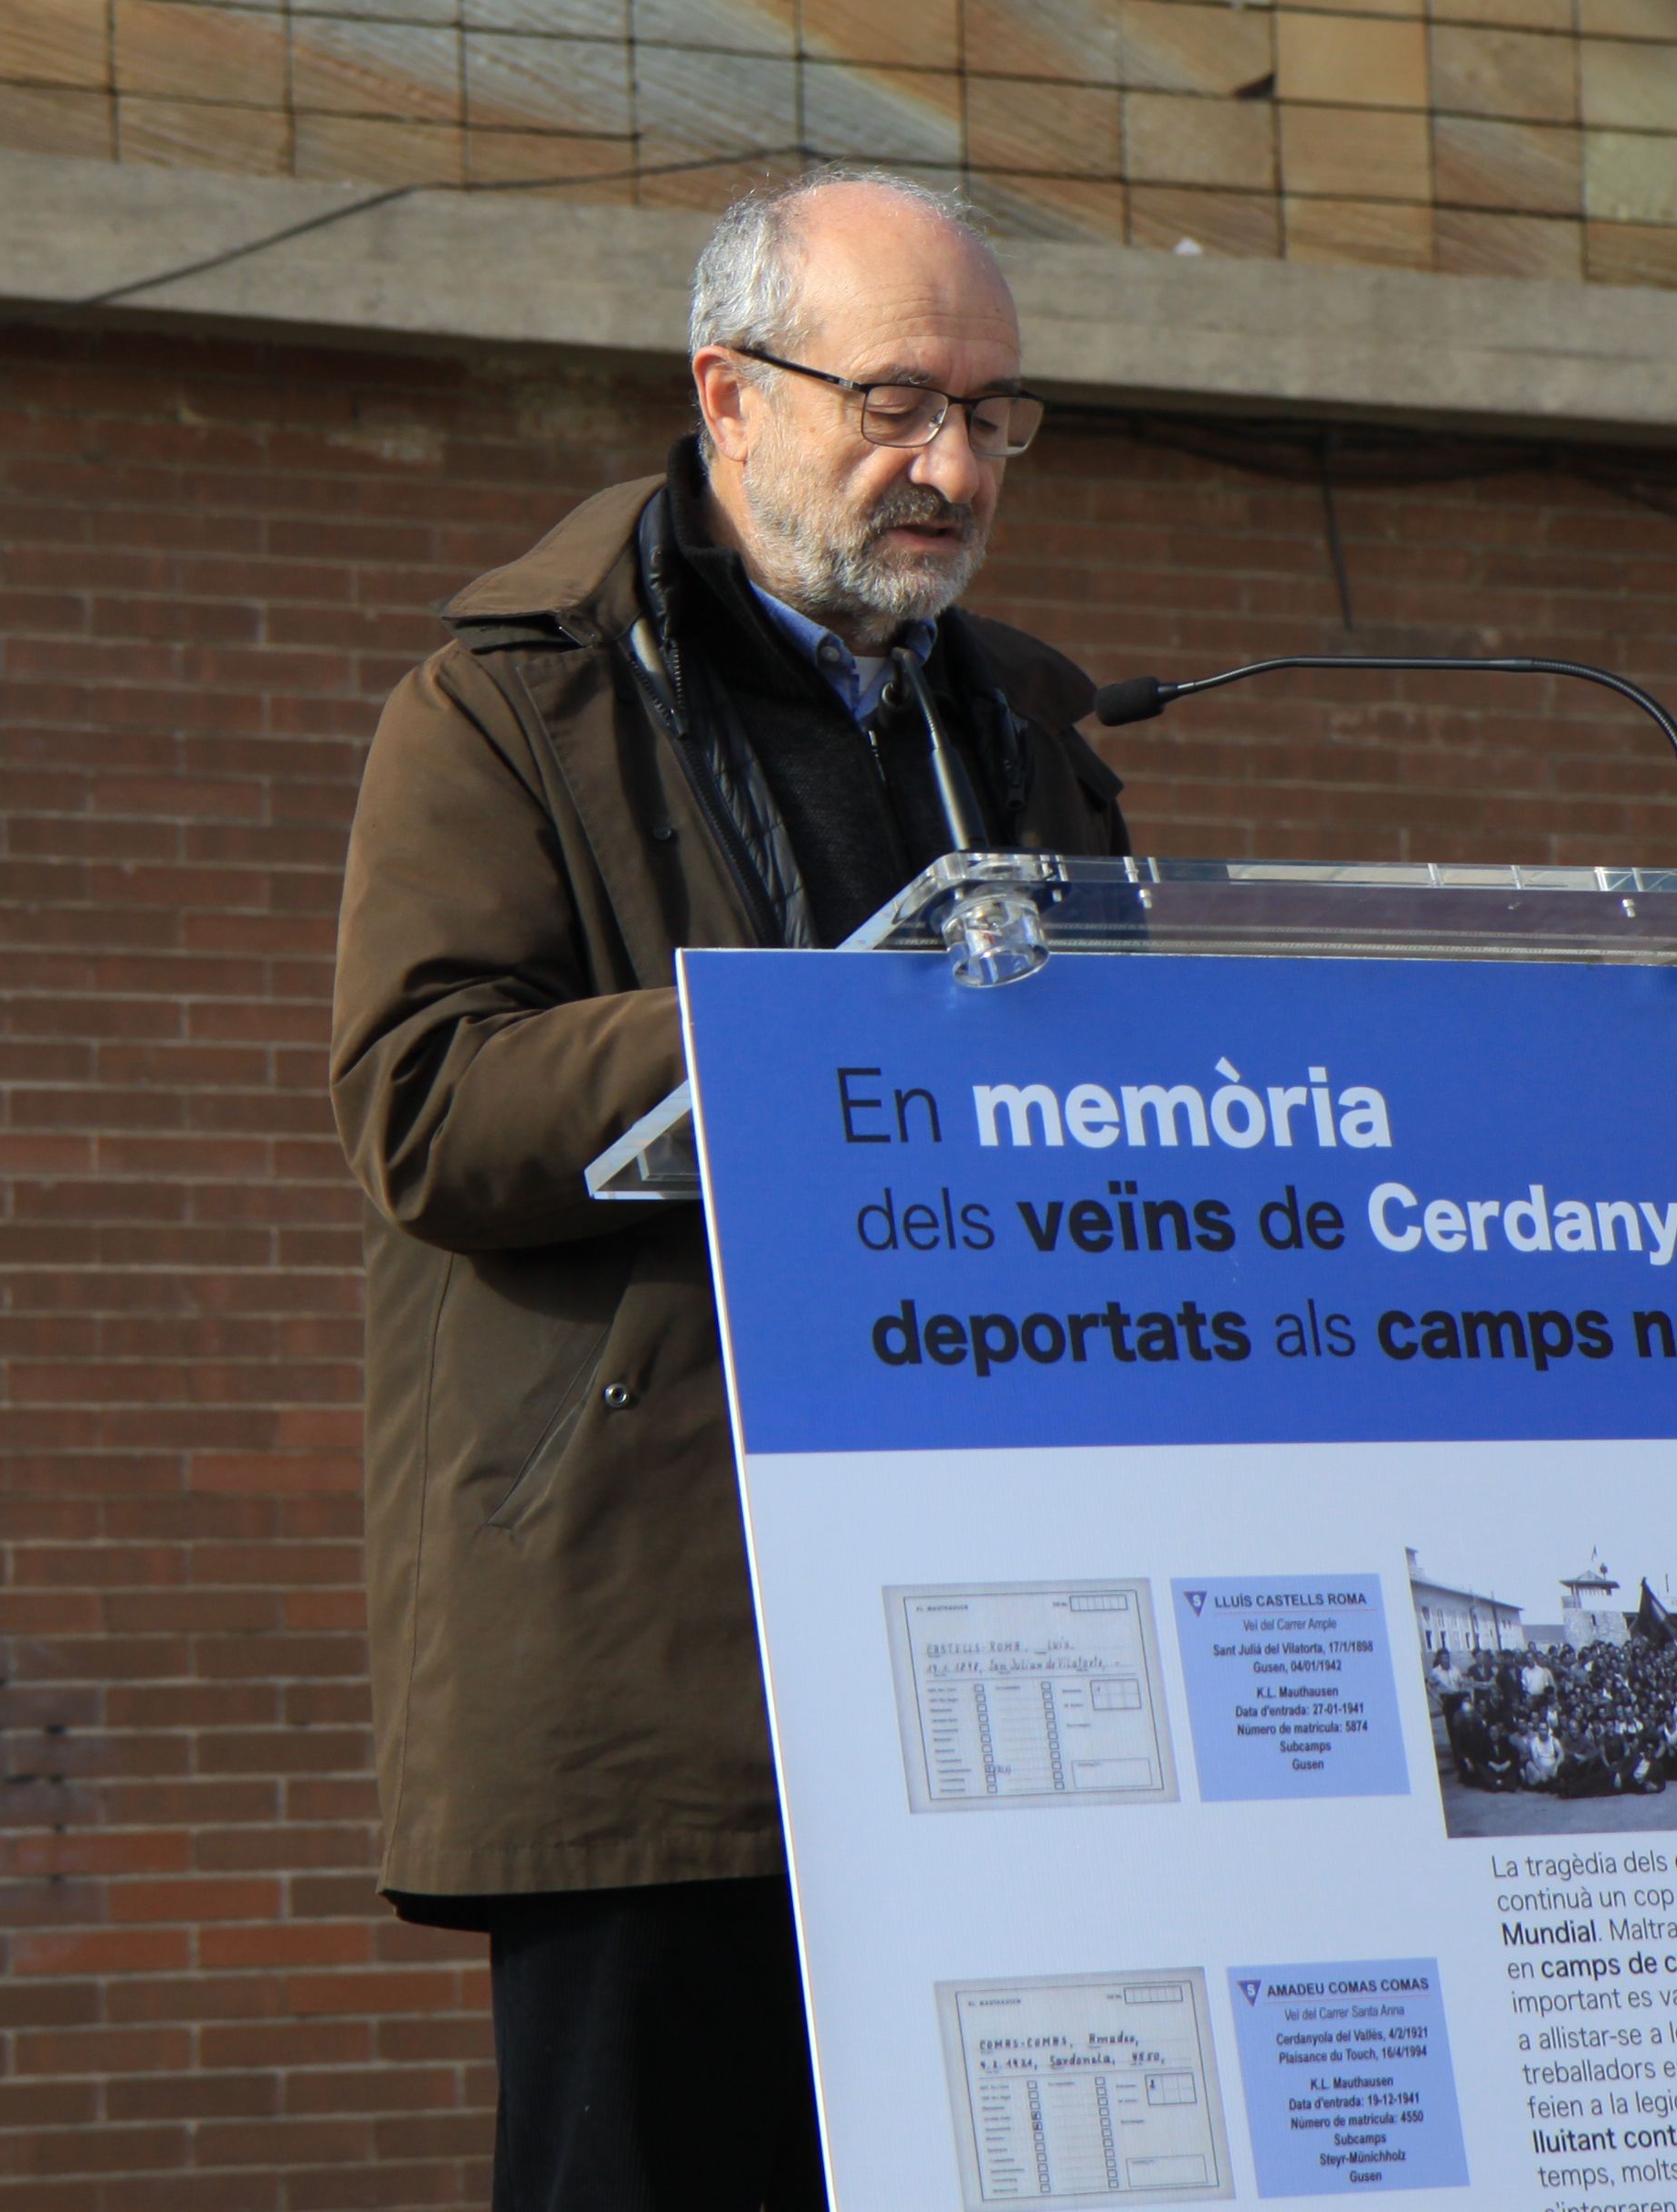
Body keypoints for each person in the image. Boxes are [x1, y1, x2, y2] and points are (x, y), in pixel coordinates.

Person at [331, 166, 1132, 2211]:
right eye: (898, 403)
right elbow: (427, 1106)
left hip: (996, 1648)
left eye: (994, 414)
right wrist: (793, 1042)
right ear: (729, 394)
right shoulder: (508, 702)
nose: (953, 466)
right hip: (664, 1657)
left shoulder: (1028, 725)